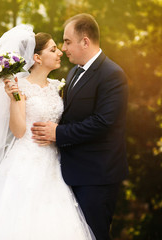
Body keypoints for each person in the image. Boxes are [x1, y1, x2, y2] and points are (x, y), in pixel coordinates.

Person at [0, 25, 95, 240]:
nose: (59, 53)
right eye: (53, 49)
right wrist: (14, 98)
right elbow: (18, 131)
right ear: (37, 57)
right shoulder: (20, 87)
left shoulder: (57, 87)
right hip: (25, 161)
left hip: (54, 164)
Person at [31, 14, 129, 239]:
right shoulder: (74, 72)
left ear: (85, 41)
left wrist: (58, 133)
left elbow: (103, 122)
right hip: (68, 175)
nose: (64, 48)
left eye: (67, 42)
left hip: (97, 177)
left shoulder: (112, 75)